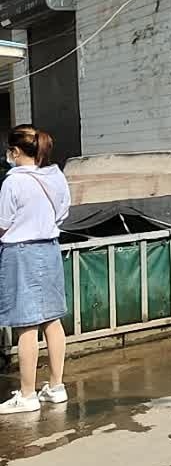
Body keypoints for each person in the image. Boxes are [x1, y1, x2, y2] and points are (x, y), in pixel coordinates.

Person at [0, 126, 72, 415]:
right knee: (52, 321)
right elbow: (63, 212)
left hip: (21, 252)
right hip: (49, 248)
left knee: (26, 324)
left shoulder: (12, 183)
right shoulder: (56, 177)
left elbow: (3, 222)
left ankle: (27, 394)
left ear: (16, 152)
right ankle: (56, 387)